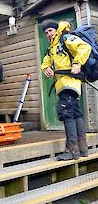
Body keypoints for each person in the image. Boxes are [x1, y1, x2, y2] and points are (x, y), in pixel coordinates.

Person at [41, 20, 91, 160]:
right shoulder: (52, 47)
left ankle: (71, 151)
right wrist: (46, 69)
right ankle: (82, 149)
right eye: (46, 32)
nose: (48, 34)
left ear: (56, 30)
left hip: (70, 82)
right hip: (62, 84)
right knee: (75, 113)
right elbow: (45, 62)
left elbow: (84, 47)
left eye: (50, 30)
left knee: (65, 112)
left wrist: (77, 63)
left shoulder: (66, 38)